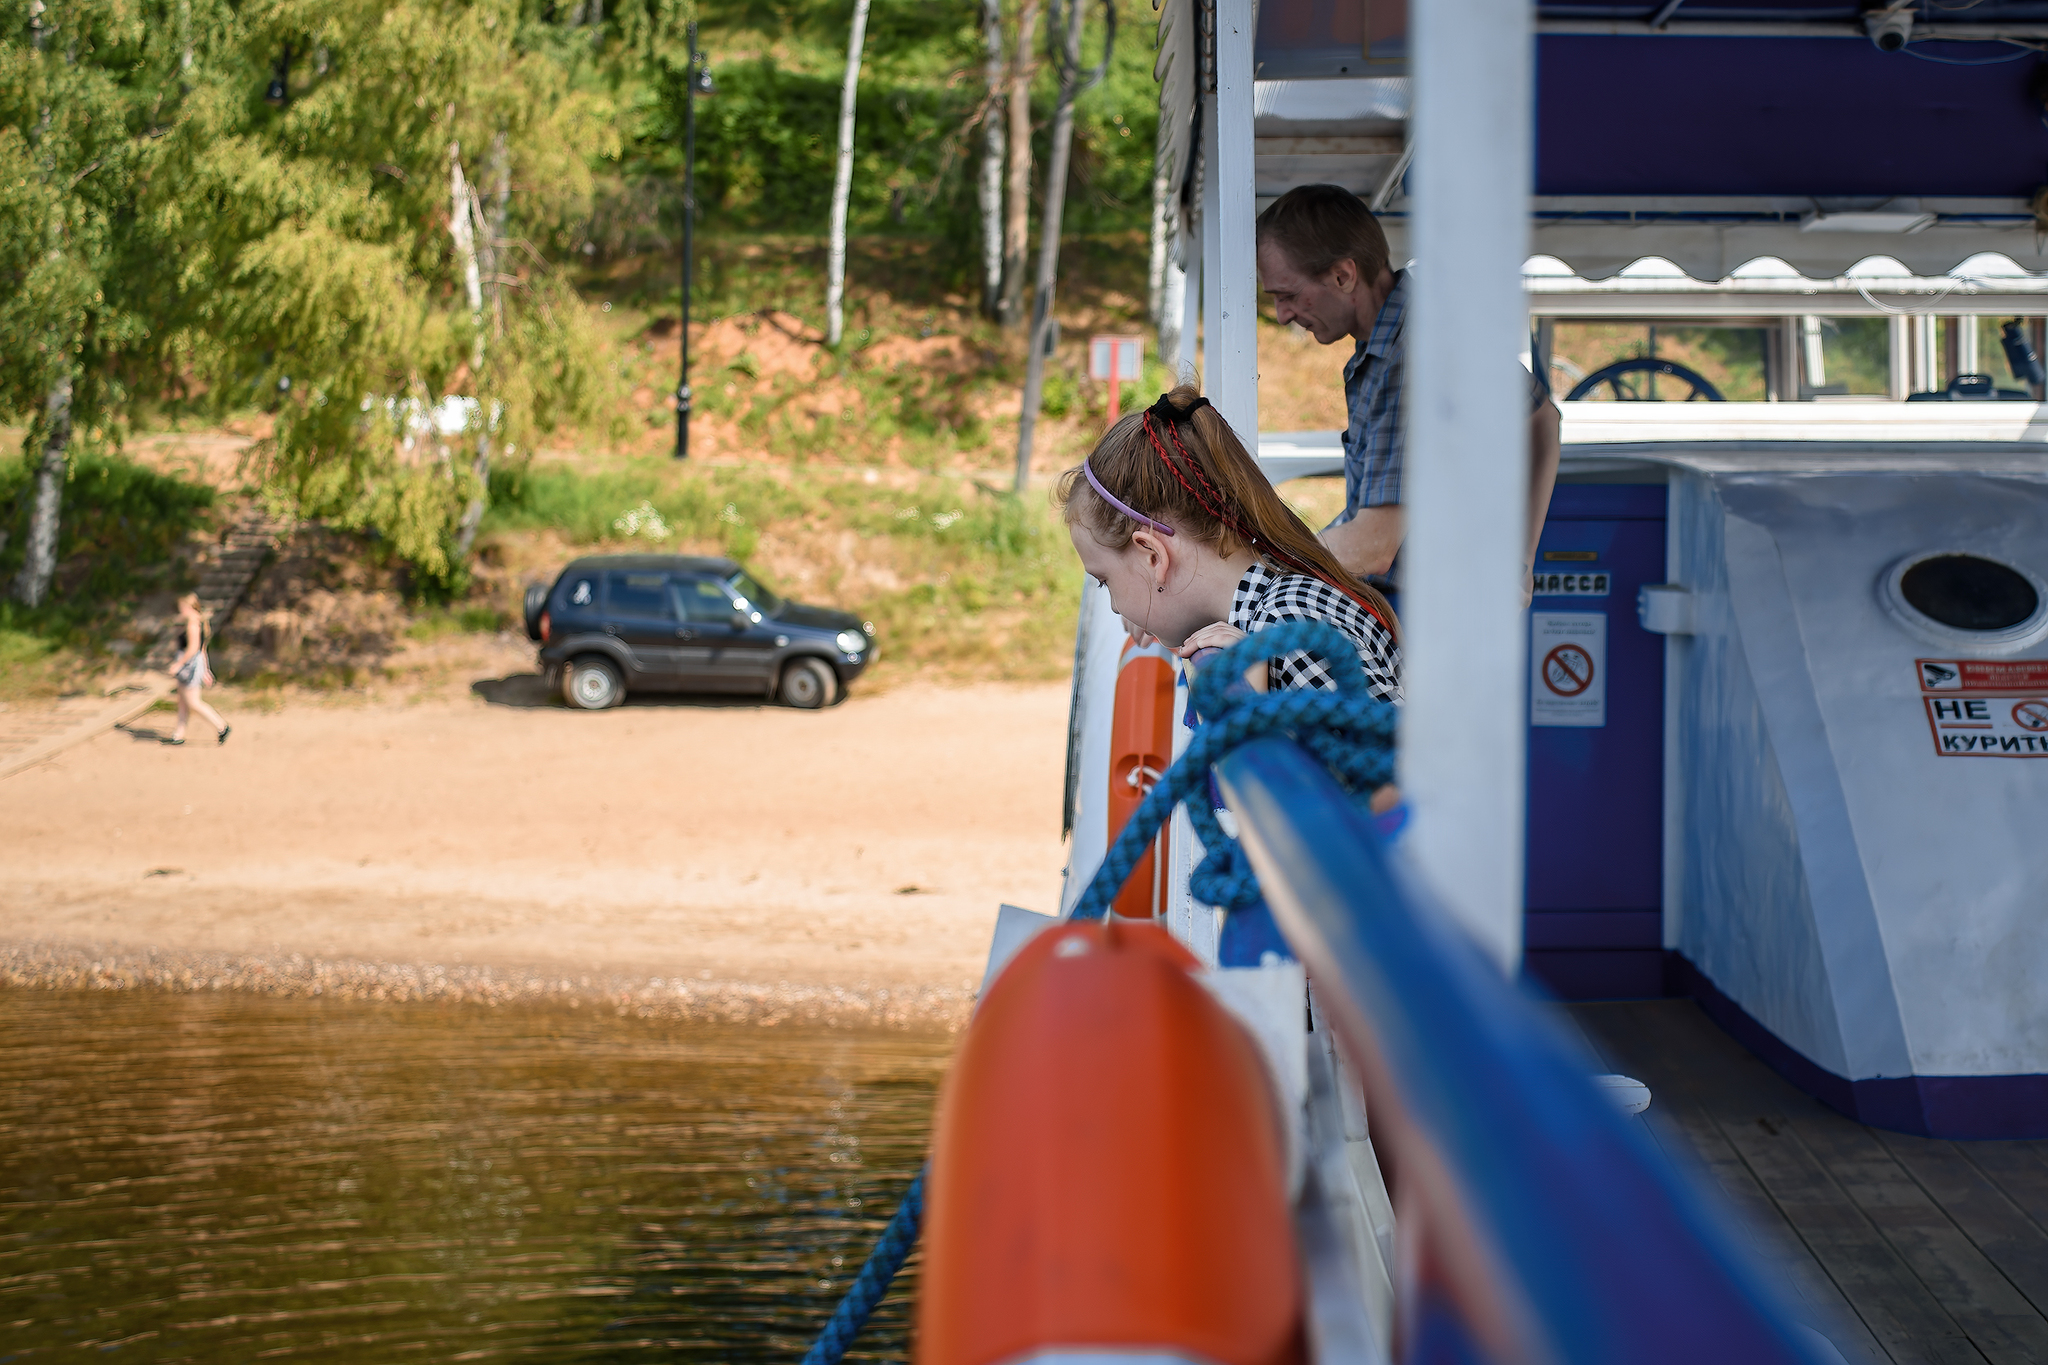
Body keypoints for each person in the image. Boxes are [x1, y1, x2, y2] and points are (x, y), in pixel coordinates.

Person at [1254, 183, 1561, 591]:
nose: (1281, 315)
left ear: (1344, 275)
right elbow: (1542, 419)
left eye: (1288, 295)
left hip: (1430, 619)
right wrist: (1521, 557)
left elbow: (1373, 545)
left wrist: (1255, 572)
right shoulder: (1429, 322)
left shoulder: (1408, 358)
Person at [1058, 384, 1401, 706]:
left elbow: (1391, 763)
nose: (1116, 608)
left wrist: (1255, 715)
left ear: (1153, 556)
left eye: (1105, 581)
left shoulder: (1288, 628)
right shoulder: (1272, 612)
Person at [166, 592, 231, 746]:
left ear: (189, 607)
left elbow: (193, 649)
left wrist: (178, 664)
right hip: (194, 665)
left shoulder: (192, 624)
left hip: (189, 666)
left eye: (182, 607)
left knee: (194, 702)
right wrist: (206, 670)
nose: (180, 610)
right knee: (182, 701)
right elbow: (202, 650)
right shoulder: (197, 621)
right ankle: (178, 734)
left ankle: (221, 726)